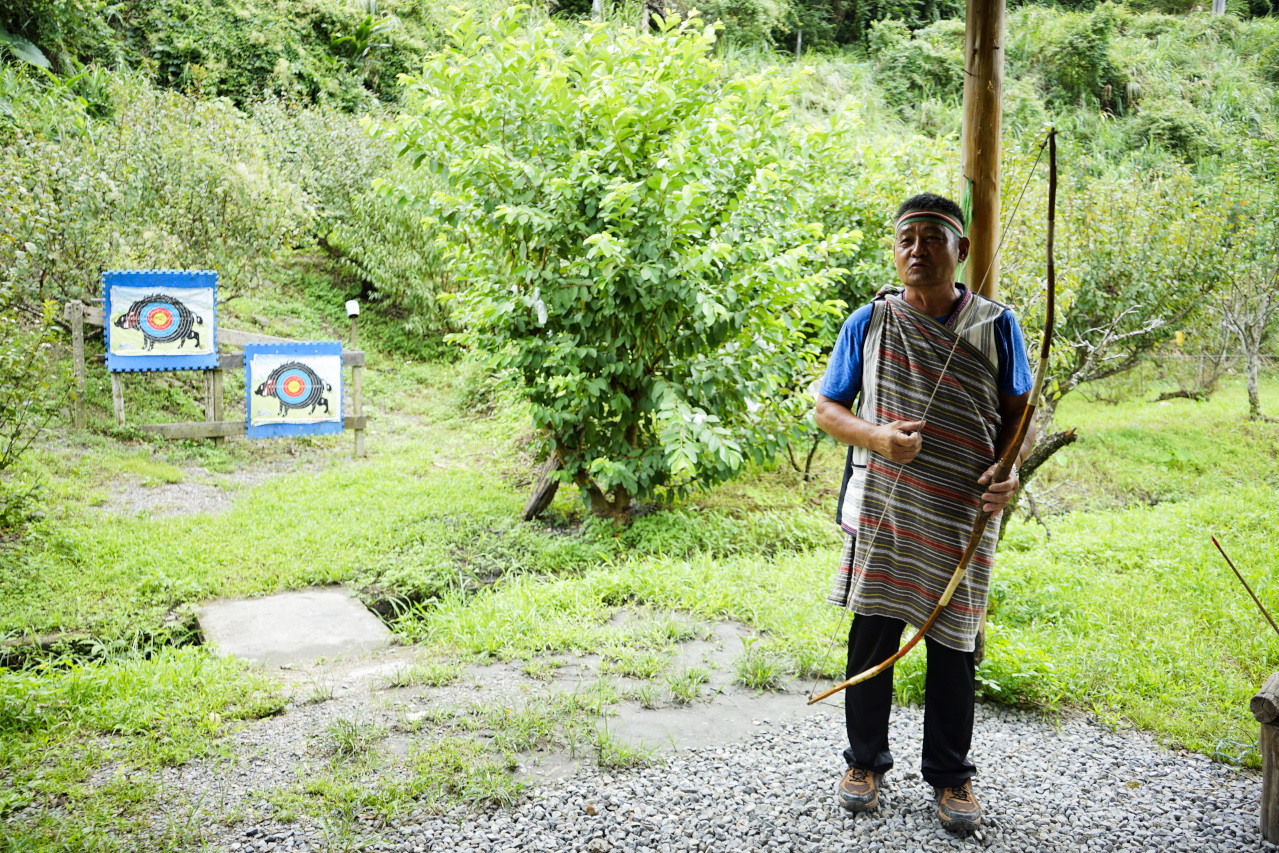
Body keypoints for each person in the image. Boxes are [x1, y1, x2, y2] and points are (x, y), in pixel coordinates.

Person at [813, 192, 1037, 833]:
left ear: (961, 250)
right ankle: (863, 762)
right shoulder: (870, 321)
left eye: (933, 238)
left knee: (953, 643)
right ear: (896, 248)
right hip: (887, 505)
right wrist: (877, 438)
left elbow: (1019, 410)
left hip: (964, 513)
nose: (917, 250)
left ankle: (951, 775)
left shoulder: (997, 324)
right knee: (873, 633)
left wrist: (1009, 468)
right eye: (906, 239)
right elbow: (829, 409)